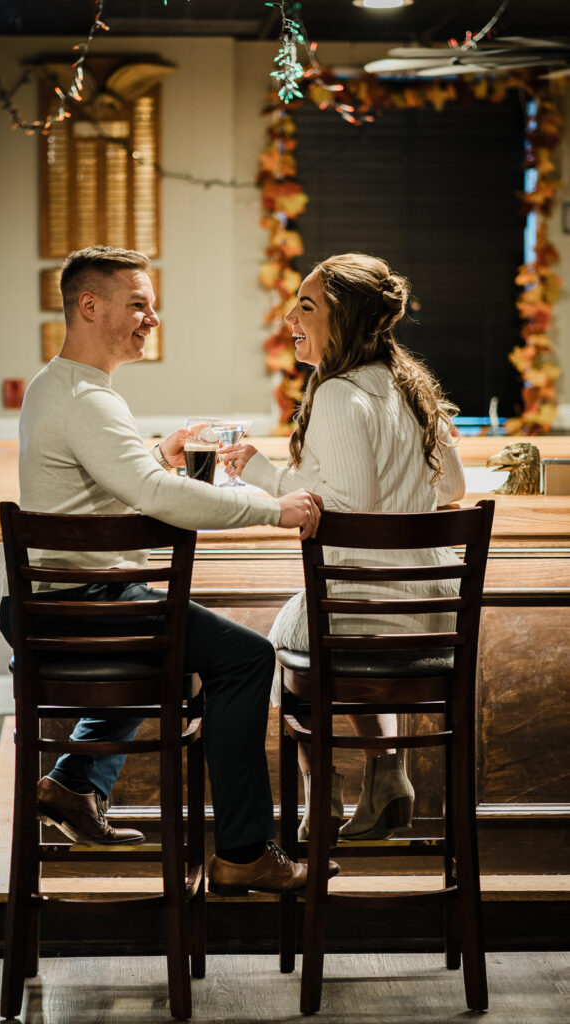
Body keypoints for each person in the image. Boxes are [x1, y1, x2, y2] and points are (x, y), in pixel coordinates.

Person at [0, 245, 334, 897]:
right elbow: (159, 496)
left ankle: (72, 785)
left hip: (59, 604)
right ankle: (242, 853)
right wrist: (273, 509)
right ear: (90, 307)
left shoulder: (61, 387)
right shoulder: (86, 399)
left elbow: (120, 481)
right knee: (242, 658)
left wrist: (156, 452)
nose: (153, 317)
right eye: (139, 305)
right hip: (86, 607)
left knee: (169, 634)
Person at [220, 252, 466, 842]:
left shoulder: (336, 394)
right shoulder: (411, 386)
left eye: (306, 306)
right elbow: (455, 486)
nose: (289, 317)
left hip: (366, 610)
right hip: (434, 611)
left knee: (280, 643)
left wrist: (264, 474)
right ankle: (385, 775)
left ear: (347, 318)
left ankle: (320, 797)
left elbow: (346, 506)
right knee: (319, 622)